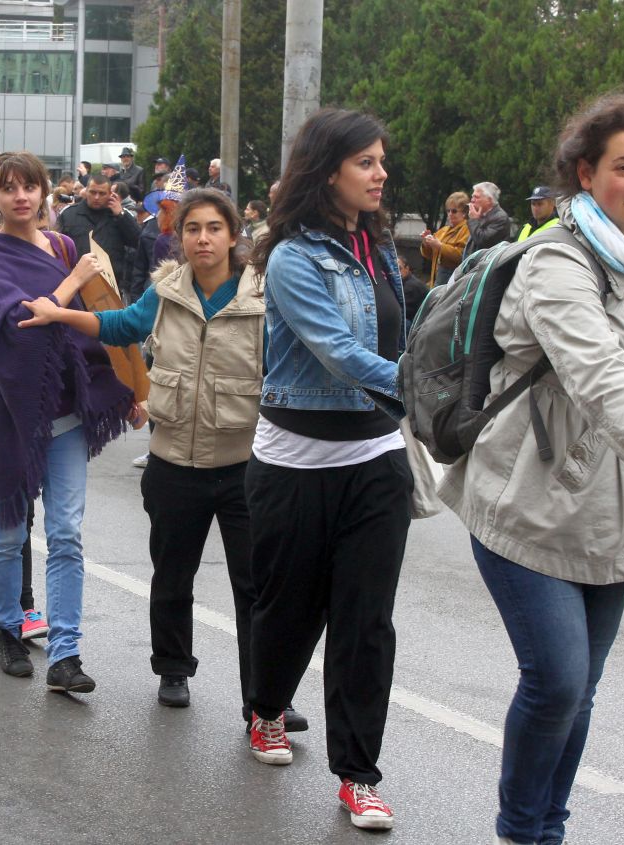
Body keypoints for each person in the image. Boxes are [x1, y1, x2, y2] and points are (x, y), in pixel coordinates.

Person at [434, 94, 624, 845]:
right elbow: (603, 382)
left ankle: (551, 828)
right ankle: (521, 831)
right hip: (525, 505)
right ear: (585, 172)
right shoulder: (557, 262)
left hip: (609, 509)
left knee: (581, 693)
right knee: (558, 681)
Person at [19, 187, 278, 719]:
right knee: (173, 573)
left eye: (213, 228)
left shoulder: (264, 295)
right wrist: (61, 314)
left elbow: (281, 372)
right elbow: (121, 327)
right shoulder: (166, 290)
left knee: (256, 586)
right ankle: (173, 669)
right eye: (192, 229)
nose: (202, 238)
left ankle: (266, 698)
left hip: (243, 465)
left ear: (233, 235)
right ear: (178, 237)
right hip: (174, 462)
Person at [243, 108, 411, 835]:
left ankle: (358, 776)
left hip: (376, 458)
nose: (380, 174)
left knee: (365, 623)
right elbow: (338, 351)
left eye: (380, 161)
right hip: (295, 462)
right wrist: (424, 388)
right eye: (366, 163)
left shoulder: (378, 247)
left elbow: (399, 333)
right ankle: (267, 707)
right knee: (291, 609)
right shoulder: (292, 259)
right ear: (327, 170)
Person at [0, 150, 139, 692]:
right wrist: (73, 282)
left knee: (66, 533)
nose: (22, 197)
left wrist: (126, 386)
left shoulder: (63, 245)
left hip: (66, 410)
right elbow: (20, 326)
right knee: (10, 530)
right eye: (9, 188)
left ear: (44, 193)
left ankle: (66, 653)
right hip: (14, 414)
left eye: (30, 187)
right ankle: (8, 628)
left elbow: (91, 326)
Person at [55, 173, 140, 262]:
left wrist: (121, 215)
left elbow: (137, 242)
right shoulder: (68, 214)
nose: (96, 197)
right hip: (79, 273)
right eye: (93, 192)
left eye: (102, 193)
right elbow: (56, 247)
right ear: (86, 191)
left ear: (110, 194)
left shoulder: (120, 215)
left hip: (112, 274)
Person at [420, 191, 471, 285]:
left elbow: (462, 256)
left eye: (454, 211)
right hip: (437, 279)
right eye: (448, 211)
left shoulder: (467, 229)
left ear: (464, 213)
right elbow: (429, 255)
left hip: (454, 280)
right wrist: (426, 242)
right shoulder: (444, 230)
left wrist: (440, 246)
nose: (450, 214)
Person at [466, 181, 515, 255]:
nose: (472, 200)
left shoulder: (500, 217)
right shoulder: (481, 214)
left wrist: (473, 220)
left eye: (476, 197)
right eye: (472, 196)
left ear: (489, 200)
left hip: (488, 263)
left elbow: (482, 241)